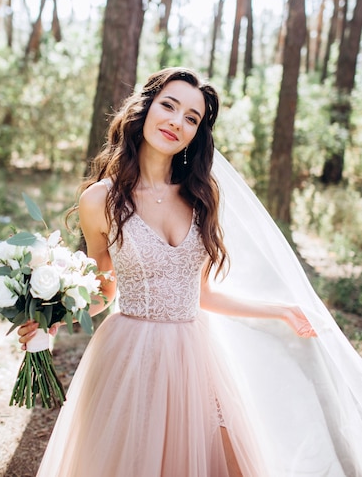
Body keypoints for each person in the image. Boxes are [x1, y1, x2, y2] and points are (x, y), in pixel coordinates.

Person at [18, 67, 362, 477]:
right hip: (129, 354)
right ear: (145, 108)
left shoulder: (202, 196)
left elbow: (202, 295)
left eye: (191, 118)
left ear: (196, 133)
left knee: (224, 460)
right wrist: (54, 317)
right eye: (169, 106)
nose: (177, 122)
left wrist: (280, 310)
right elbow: (105, 289)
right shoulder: (101, 200)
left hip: (194, 355)